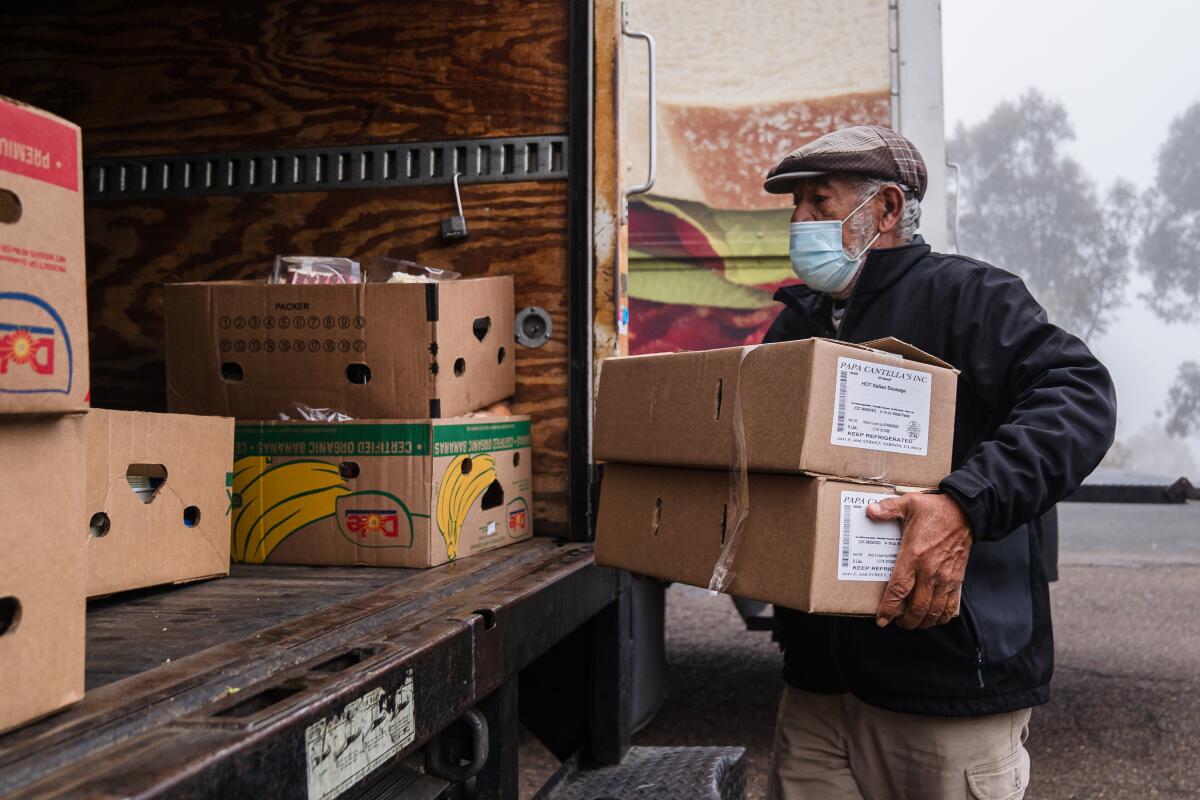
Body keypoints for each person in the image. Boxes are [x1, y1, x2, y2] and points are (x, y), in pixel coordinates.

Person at [760, 126, 1117, 800]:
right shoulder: (795, 326)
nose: (798, 221)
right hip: (815, 696)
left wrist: (964, 503)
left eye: (818, 202)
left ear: (886, 209)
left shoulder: (970, 297)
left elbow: (1079, 396)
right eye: (794, 206)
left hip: (948, 691)